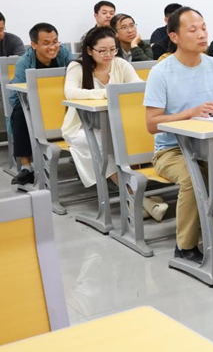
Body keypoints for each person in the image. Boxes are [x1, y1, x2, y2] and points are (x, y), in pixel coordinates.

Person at [144, 7, 213, 263]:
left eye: (203, 28)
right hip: (171, 150)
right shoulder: (161, 72)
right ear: (174, 37)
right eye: (193, 30)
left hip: (209, 145)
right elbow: (152, 124)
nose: (202, 34)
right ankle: (185, 246)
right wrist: (191, 113)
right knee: (193, 180)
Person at [61, 27, 168, 218]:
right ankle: (138, 198)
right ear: (89, 50)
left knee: (132, 139)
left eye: (112, 49)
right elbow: (70, 92)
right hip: (82, 127)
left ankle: (137, 198)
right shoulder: (77, 67)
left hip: (116, 124)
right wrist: (106, 93)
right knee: (99, 145)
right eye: (102, 51)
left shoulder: (120, 64)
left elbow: (137, 86)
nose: (108, 55)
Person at [8, 23, 77, 185]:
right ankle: (26, 167)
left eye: (55, 41)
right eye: (46, 43)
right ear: (34, 45)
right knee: (19, 111)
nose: (52, 47)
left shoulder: (63, 53)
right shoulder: (24, 62)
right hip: (35, 106)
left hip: (62, 103)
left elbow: (77, 71)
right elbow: (15, 96)